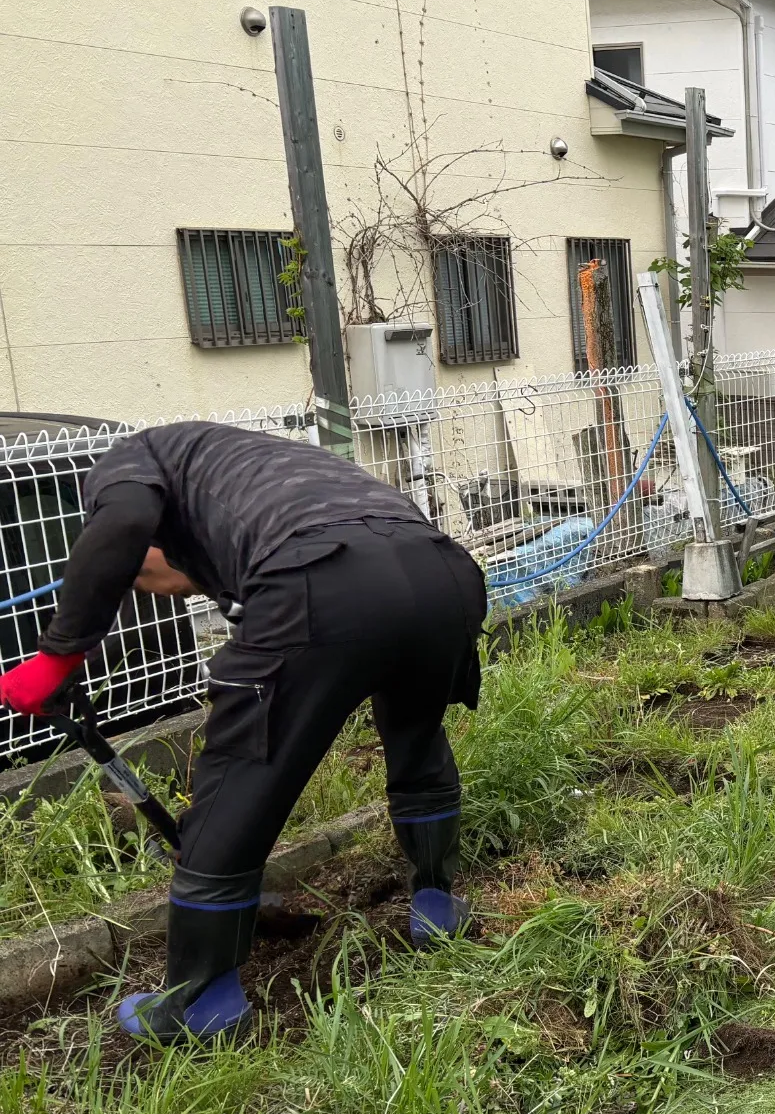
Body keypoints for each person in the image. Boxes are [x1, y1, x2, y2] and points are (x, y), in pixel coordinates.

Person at [0, 422, 487, 1042]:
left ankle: (200, 1003)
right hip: (442, 573)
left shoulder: (131, 458)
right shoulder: (263, 470)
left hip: (324, 577)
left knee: (238, 778)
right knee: (417, 737)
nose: (163, 593)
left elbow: (121, 524)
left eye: (145, 581)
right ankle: (438, 906)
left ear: (156, 540)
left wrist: (57, 657)